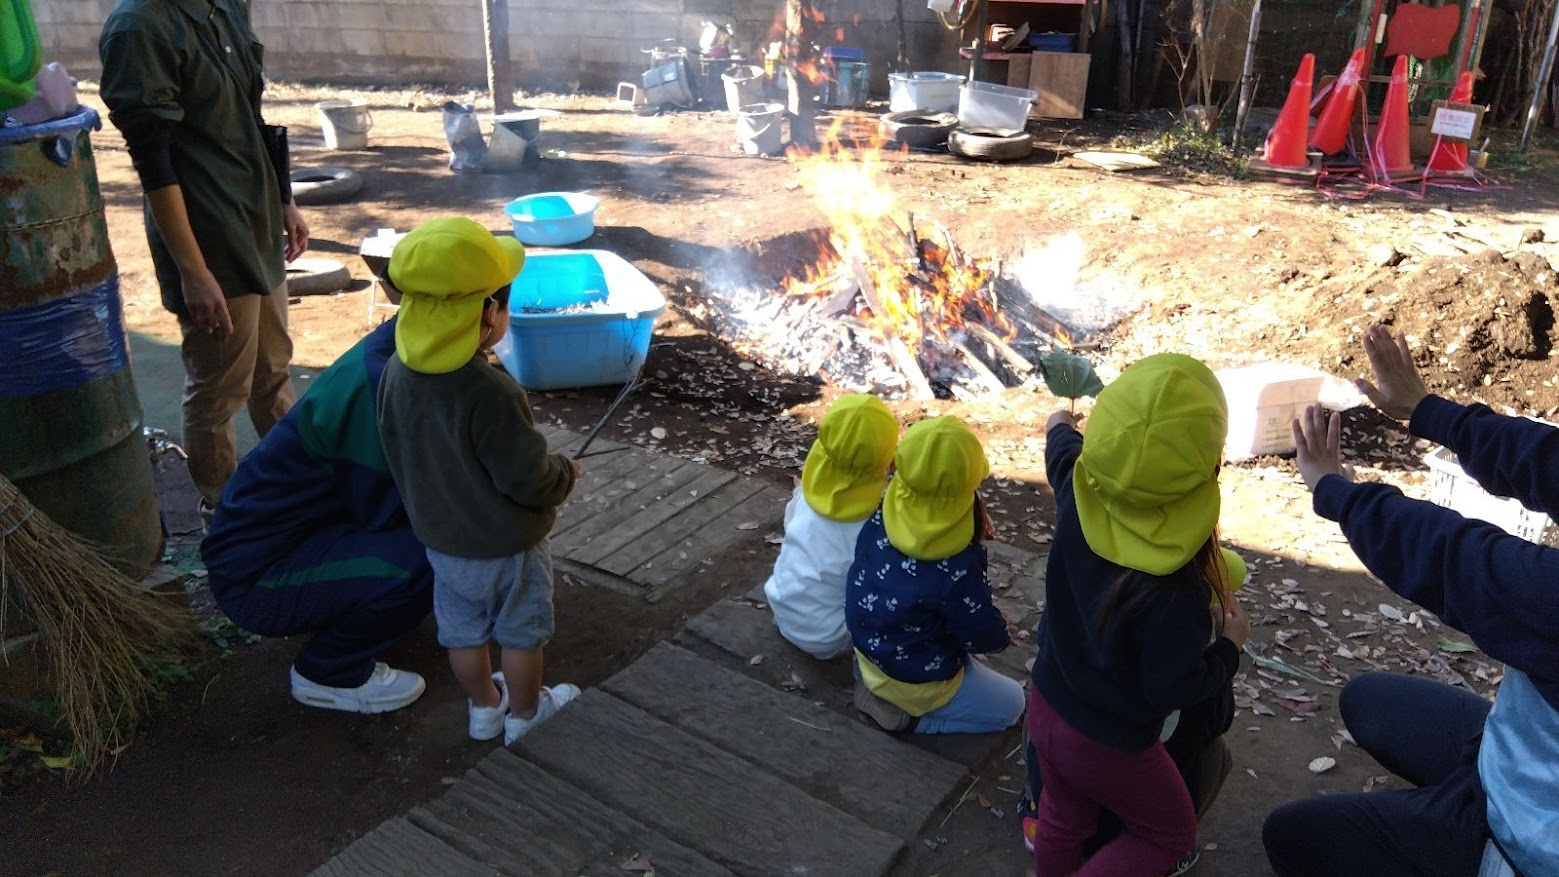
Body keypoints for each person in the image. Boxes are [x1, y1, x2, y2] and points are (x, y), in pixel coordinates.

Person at [1264, 324, 1559, 877]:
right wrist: (1428, 411)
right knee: (1370, 701)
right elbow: (1549, 461)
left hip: (1529, 841)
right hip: (1518, 757)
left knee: (1291, 837)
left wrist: (1336, 492)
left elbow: (1464, 565)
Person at [1028, 353, 1248, 877]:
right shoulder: (1176, 591)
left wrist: (1060, 424)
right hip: (1109, 744)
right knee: (1169, 836)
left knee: (1062, 816)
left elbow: (1061, 450)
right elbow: (1173, 688)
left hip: (1046, 703)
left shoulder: (1076, 491)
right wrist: (1229, 649)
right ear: (1208, 469)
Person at [99, 0, 309, 521]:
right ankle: (225, 515)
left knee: (272, 371)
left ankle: (299, 487)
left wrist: (284, 198)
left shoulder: (225, 5)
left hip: (256, 215)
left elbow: (249, 115)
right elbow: (152, 159)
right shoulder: (139, 27)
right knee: (220, 388)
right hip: (208, 236)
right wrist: (193, 271)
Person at [377, 217, 581, 745]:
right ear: (490, 313)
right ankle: (526, 715)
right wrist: (564, 474)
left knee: (463, 632)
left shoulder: (395, 372)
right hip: (508, 547)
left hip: (442, 542)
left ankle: (485, 709)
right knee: (521, 634)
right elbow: (529, 480)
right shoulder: (491, 392)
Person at [201, 311, 431, 715]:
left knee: (435, 540)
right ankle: (329, 670)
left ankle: (353, 607)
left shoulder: (392, 350)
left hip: (292, 540)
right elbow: (394, 508)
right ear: (488, 314)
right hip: (255, 579)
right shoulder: (379, 384)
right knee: (430, 554)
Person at [845, 415, 1026, 736]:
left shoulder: (881, 512)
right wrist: (1000, 631)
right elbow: (979, 635)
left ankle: (873, 685)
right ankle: (913, 720)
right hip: (918, 679)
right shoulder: (957, 564)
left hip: (870, 655)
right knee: (1014, 704)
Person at [763, 394, 898, 660]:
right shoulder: (875, 529)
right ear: (890, 464)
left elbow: (790, 527)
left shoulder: (805, 497)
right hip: (830, 637)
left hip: (781, 606)